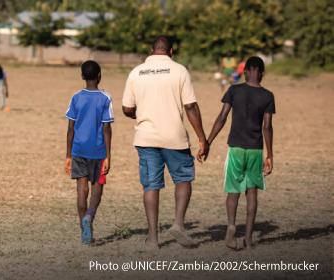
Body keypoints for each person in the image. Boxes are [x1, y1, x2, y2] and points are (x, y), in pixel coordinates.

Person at [122, 36, 209, 251]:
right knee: (183, 179)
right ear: (170, 51)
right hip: (175, 138)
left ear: (152, 50)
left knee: (151, 185)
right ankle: (178, 223)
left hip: (146, 138)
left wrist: (142, 114)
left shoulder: (136, 72)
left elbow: (126, 109)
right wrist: (201, 137)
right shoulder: (180, 71)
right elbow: (190, 107)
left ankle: (152, 240)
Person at [205, 57, 274, 250]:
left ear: (245, 72)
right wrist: (270, 155)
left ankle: (231, 225)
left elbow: (222, 117)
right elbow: (267, 127)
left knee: (233, 192)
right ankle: (249, 240)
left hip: (235, 148)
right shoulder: (268, 96)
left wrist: (208, 142)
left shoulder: (234, 90)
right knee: (252, 194)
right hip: (255, 150)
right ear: (262, 73)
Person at [64, 60, 114, 245]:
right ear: (99, 76)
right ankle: (90, 216)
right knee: (97, 189)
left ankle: (86, 231)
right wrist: (108, 155)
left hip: (78, 150)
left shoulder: (76, 97)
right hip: (98, 151)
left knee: (81, 190)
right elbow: (107, 128)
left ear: (82, 76)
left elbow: (70, 128)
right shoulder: (105, 97)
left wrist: (68, 155)